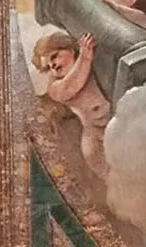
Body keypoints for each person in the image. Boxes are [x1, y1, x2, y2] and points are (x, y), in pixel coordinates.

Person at [34, 30, 111, 173]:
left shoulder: (91, 58)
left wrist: (85, 57)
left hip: (118, 124)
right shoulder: (55, 88)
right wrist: (84, 59)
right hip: (97, 141)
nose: (54, 66)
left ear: (69, 49)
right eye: (48, 67)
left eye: (55, 57)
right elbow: (73, 84)